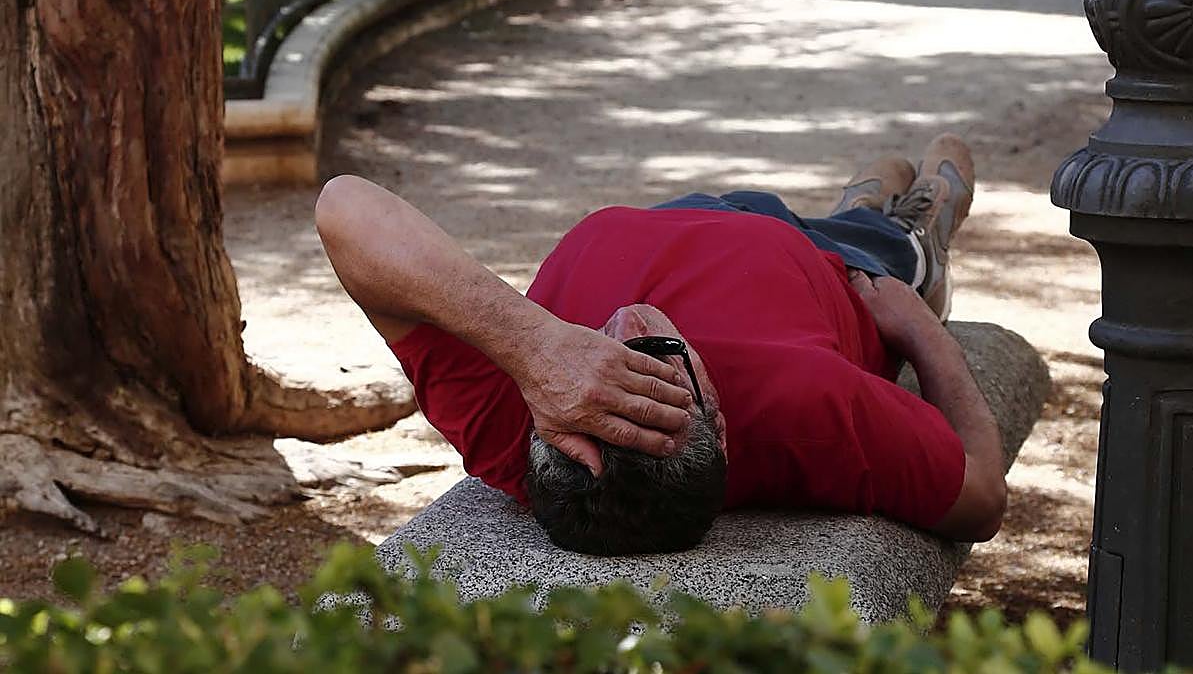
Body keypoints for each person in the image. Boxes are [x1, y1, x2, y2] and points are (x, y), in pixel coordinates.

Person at [315, 133, 1007, 555]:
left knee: (856, 185)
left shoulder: (519, 425)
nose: (622, 324)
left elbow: (343, 206)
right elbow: (982, 499)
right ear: (718, 416)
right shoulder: (808, 406)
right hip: (830, 262)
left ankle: (861, 201)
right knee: (913, 209)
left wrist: (539, 350)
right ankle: (917, 232)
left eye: (595, 359)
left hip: (679, 216)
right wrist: (916, 325)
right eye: (650, 362)